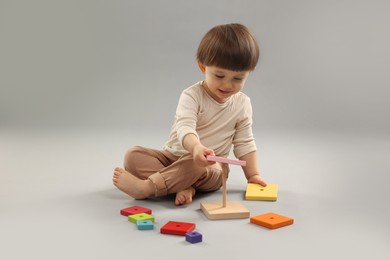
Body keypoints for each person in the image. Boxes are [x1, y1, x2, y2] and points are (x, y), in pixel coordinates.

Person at [113, 23, 267, 206]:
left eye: (238, 78)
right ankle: (181, 185)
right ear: (203, 67)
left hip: (210, 167)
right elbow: (184, 127)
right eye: (219, 76)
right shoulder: (192, 95)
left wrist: (253, 175)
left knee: (199, 164)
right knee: (133, 155)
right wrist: (195, 148)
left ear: (249, 73)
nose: (227, 85)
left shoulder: (242, 104)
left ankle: (147, 188)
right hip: (172, 159)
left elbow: (245, 143)